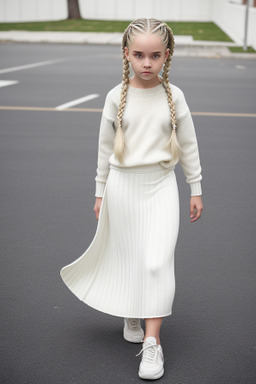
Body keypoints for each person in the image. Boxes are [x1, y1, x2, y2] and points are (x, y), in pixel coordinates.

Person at [61, 18, 203, 381]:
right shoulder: (115, 96)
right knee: (129, 256)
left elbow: (188, 144)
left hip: (160, 187)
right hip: (121, 188)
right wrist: (99, 191)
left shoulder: (175, 97)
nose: (146, 63)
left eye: (155, 56)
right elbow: (104, 149)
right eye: (138, 55)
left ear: (166, 56)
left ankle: (153, 342)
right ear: (126, 54)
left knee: (157, 261)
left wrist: (195, 187)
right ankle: (132, 309)